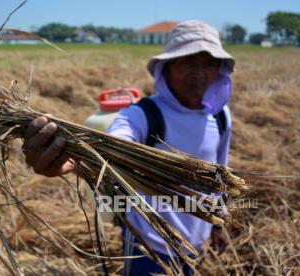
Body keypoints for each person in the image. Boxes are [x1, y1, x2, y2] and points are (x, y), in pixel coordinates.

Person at [22, 20, 234, 275]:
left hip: (196, 242)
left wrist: (218, 224)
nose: (199, 73)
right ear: (166, 68)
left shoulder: (220, 117)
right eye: (187, 61)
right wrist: (76, 160)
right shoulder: (144, 116)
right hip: (149, 243)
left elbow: (221, 175)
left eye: (209, 63)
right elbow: (118, 143)